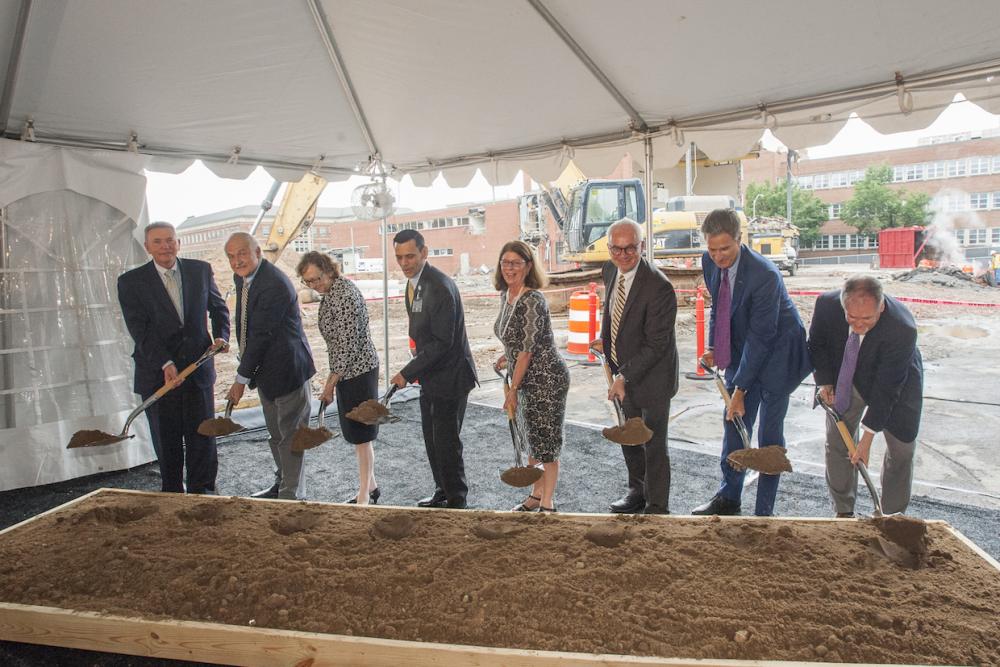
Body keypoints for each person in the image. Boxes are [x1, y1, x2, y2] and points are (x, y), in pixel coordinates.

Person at [693, 208, 811, 517]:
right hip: (744, 345)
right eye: (712, 249)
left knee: (769, 437)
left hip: (778, 353)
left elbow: (763, 337)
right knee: (734, 423)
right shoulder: (709, 262)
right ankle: (729, 497)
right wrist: (714, 348)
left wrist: (741, 389)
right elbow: (720, 306)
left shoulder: (765, 275)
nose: (718, 256)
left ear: (739, 240)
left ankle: (764, 510)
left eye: (725, 249)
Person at [118, 222, 229, 494]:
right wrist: (166, 363)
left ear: (178, 243)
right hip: (157, 374)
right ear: (147, 247)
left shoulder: (199, 270)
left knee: (202, 435)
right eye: (157, 242)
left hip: (197, 370)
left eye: (170, 240)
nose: (165, 246)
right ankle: (172, 494)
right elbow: (140, 330)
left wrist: (221, 335)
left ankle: (203, 492)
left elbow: (218, 308)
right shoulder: (131, 282)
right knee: (166, 439)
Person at [808, 275, 923, 517]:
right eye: (852, 318)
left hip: (896, 380)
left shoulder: (902, 327)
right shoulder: (826, 305)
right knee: (838, 439)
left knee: (902, 450)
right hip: (848, 372)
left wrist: (867, 440)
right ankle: (843, 512)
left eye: (867, 319)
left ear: (881, 307)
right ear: (842, 305)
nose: (858, 325)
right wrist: (825, 381)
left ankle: (892, 517)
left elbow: (887, 387)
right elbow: (816, 343)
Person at [390, 230, 477, 509]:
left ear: (424, 253)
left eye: (410, 256)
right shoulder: (415, 283)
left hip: (451, 377)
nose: (405, 263)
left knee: (447, 442)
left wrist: (407, 372)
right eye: (399, 257)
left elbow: (442, 342)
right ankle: (442, 489)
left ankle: (456, 498)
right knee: (432, 439)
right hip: (432, 376)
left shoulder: (438, 286)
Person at [225, 233, 315, 500]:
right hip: (265, 372)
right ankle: (282, 483)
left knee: (292, 437)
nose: (236, 260)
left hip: (288, 370)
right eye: (230, 256)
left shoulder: (273, 283)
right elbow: (246, 325)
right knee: (276, 434)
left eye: (242, 253)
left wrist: (241, 379)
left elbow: (262, 334)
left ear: (258, 252)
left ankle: (291, 496)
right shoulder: (243, 279)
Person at [597, 218, 678, 515]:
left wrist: (623, 376)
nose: (623, 255)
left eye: (630, 248)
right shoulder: (610, 270)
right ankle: (637, 492)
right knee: (630, 437)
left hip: (653, 378)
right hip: (623, 373)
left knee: (653, 444)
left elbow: (657, 345)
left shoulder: (659, 287)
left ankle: (657, 505)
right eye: (616, 249)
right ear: (609, 248)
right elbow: (615, 314)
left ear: (642, 246)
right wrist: (604, 341)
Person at [297, 251, 380, 505]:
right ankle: (372, 487)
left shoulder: (343, 295)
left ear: (329, 270)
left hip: (358, 373)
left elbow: (345, 347)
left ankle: (364, 495)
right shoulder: (332, 292)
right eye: (308, 282)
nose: (314, 285)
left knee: (362, 436)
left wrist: (329, 385)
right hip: (348, 373)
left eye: (317, 279)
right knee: (358, 435)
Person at [492, 241, 570, 513]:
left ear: (527, 266)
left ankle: (547, 503)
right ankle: (536, 495)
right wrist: (506, 357)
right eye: (505, 262)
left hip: (546, 378)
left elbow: (526, 351)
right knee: (532, 439)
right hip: (524, 378)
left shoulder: (533, 299)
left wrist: (513, 388)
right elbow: (514, 342)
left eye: (515, 263)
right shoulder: (507, 295)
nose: (509, 268)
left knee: (546, 441)